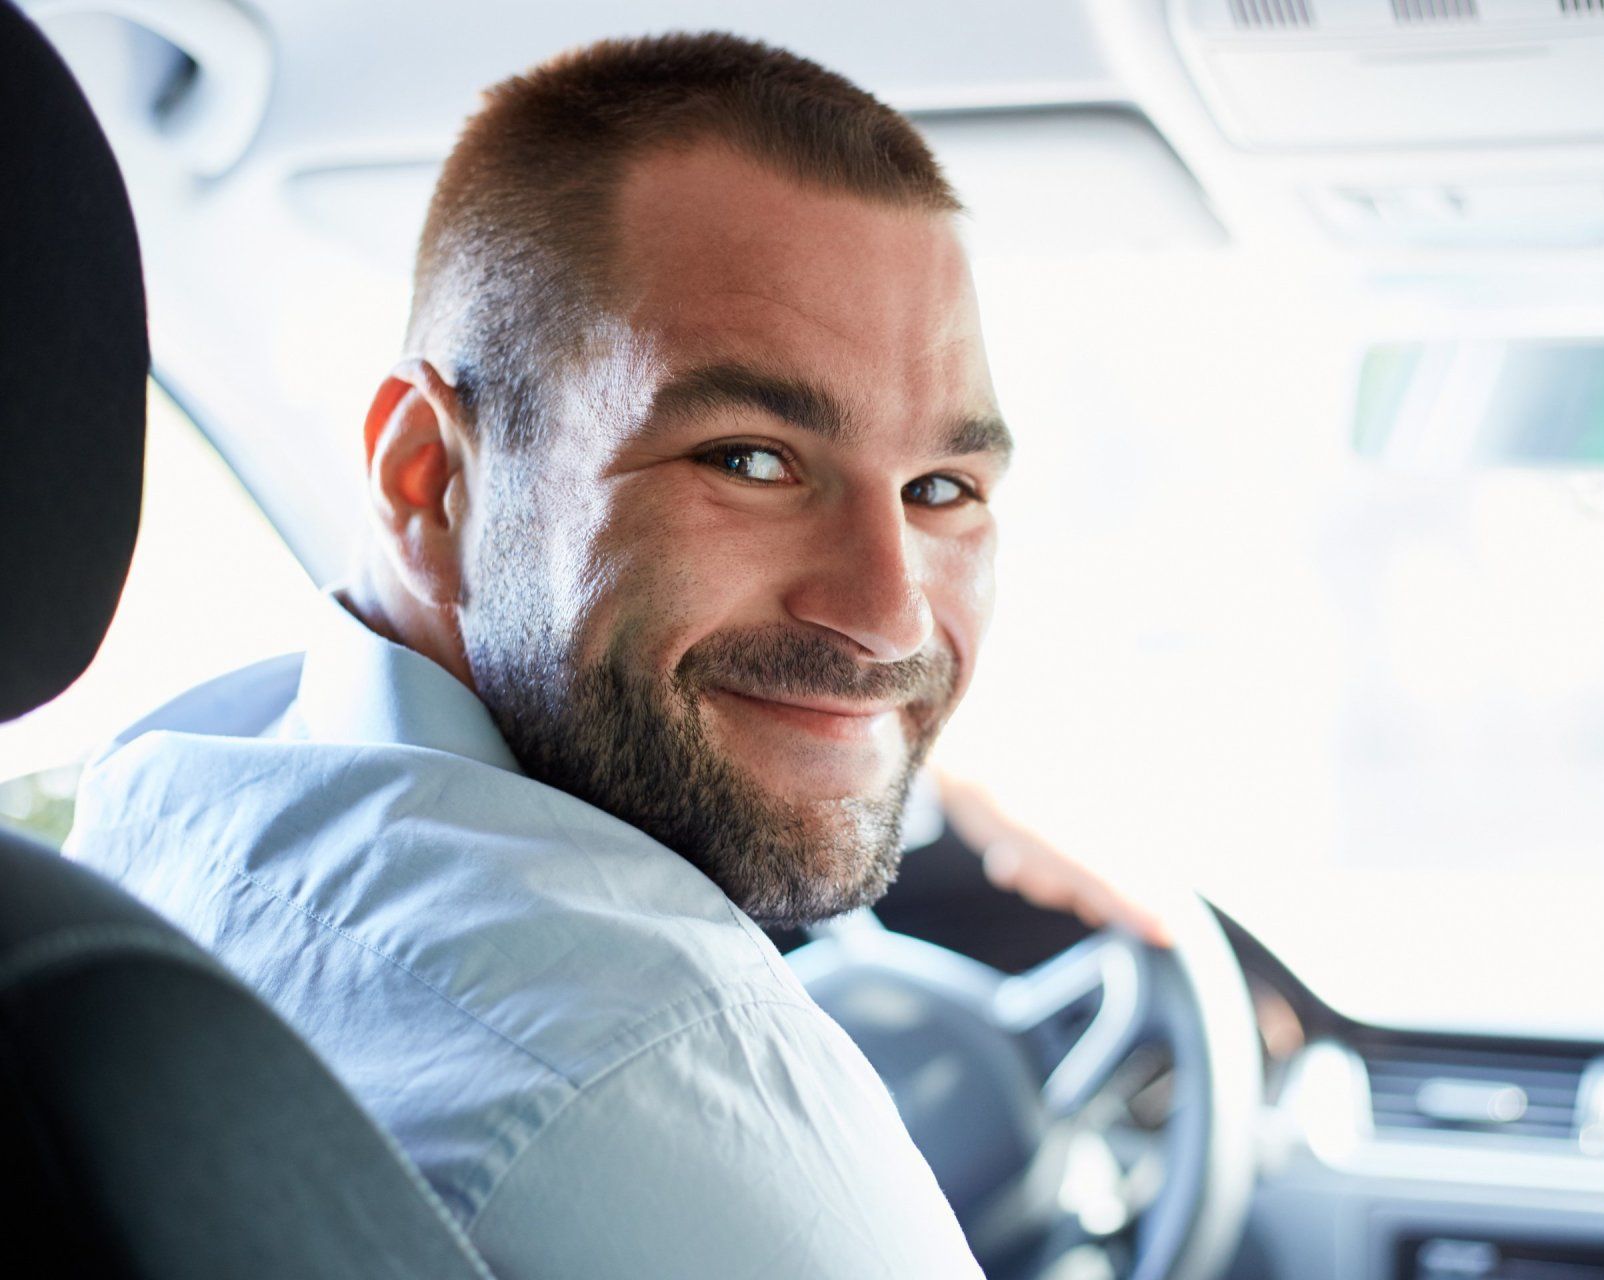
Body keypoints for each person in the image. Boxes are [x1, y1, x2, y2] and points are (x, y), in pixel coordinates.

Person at [66, 32, 1161, 1279]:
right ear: (429, 480)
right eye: (749, 458)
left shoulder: (182, 792)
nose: (892, 616)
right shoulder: (664, 1070)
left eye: (942, 486)